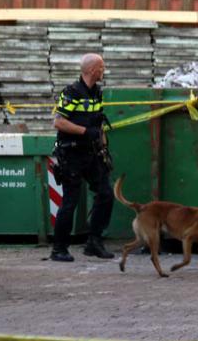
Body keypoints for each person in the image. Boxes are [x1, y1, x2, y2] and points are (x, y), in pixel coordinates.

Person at [50, 53, 115, 262]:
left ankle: (94, 242)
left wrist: (103, 148)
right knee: (70, 201)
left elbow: (99, 123)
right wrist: (86, 132)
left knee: (105, 194)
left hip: (92, 154)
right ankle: (59, 249)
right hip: (71, 154)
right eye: (101, 67)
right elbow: (59, 122)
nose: (103, 71)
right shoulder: (71, 92)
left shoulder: (97, 93)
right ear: (91, 70)